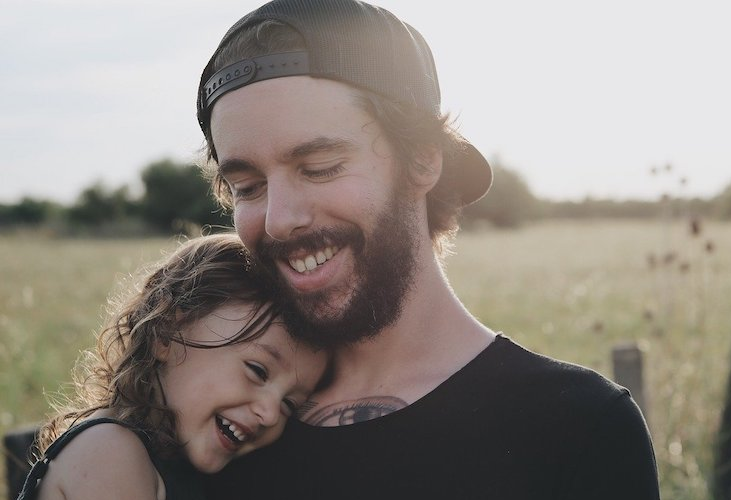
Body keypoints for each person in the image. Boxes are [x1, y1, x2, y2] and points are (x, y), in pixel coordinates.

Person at [197, 0, 660, 497]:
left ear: (421, 163)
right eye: (247, 186)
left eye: (320, 166)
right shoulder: (220, 420)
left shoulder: (577, 428)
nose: (280, 220)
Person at [17, 234, 328, 500]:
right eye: (257, 371)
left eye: (290, 404)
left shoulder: (173, 466)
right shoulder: (109, 452)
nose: (271, 413)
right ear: (166, 332)